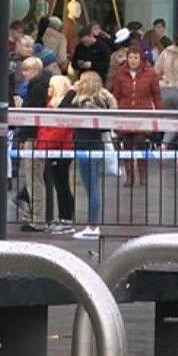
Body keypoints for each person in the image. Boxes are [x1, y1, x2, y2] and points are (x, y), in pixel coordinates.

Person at [71, 71, 116, 240]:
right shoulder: (102, 101)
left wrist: (70, 91)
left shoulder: (81, 103)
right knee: (93, 185)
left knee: (91, 187)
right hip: (97, 146)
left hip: (85, 147)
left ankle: (93, 225)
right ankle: (92, 224)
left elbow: (62, 108)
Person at [110, 45, 161, 187]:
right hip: (124, 113)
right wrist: (115, 115)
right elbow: (116, 96)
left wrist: (159, 113)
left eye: (135, 58)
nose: (133, 61)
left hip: (142, 114)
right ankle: (129, 176)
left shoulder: (150, 73)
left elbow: (156, 95)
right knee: (126, 146)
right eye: (130, 57)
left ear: (141, 59)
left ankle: (143, 175)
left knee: (140, 145)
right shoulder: (120, 73)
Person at [14, 57, 55, 231]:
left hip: (34, 138)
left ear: (35, 70)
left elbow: (30, 116)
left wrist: (23, 136)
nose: (24, 74)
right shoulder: (46, 84)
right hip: (41, 137)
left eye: (27, 70)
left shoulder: (36, 87)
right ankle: (44, 217)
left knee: (33, 178)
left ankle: (38, 220)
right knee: (41, 178)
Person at [35, 75, 77, 234]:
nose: (48, 90)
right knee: (59, 184)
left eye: (51, 86)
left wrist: (44, 143)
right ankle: (62, 218)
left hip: (61, 150)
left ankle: (66, 219)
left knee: (62, 184)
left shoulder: (64, 107)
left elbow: (60, 130)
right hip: (51, 148)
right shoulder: (51, 105)